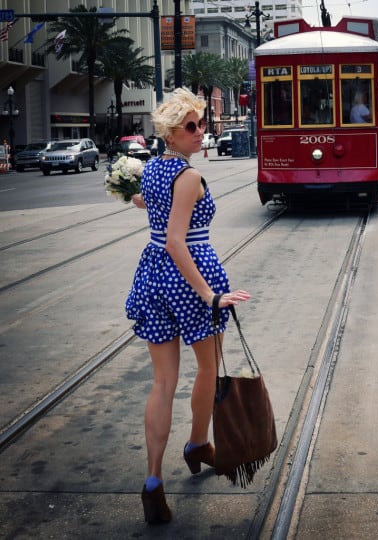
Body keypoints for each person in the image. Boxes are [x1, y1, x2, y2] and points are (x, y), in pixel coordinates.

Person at [126, 88, 250, 525]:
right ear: (172, 135)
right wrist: (209, 295)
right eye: (192, 127)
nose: (202, 133)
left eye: (202, 124)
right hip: (190, 274)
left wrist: (124, 188)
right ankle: (198, 443)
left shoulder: (154, 170)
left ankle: (154, 481)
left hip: (153, 274)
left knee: (162, 383)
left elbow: (146, 205)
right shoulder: (189, 177)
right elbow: (179, 241)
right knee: (207, 368)